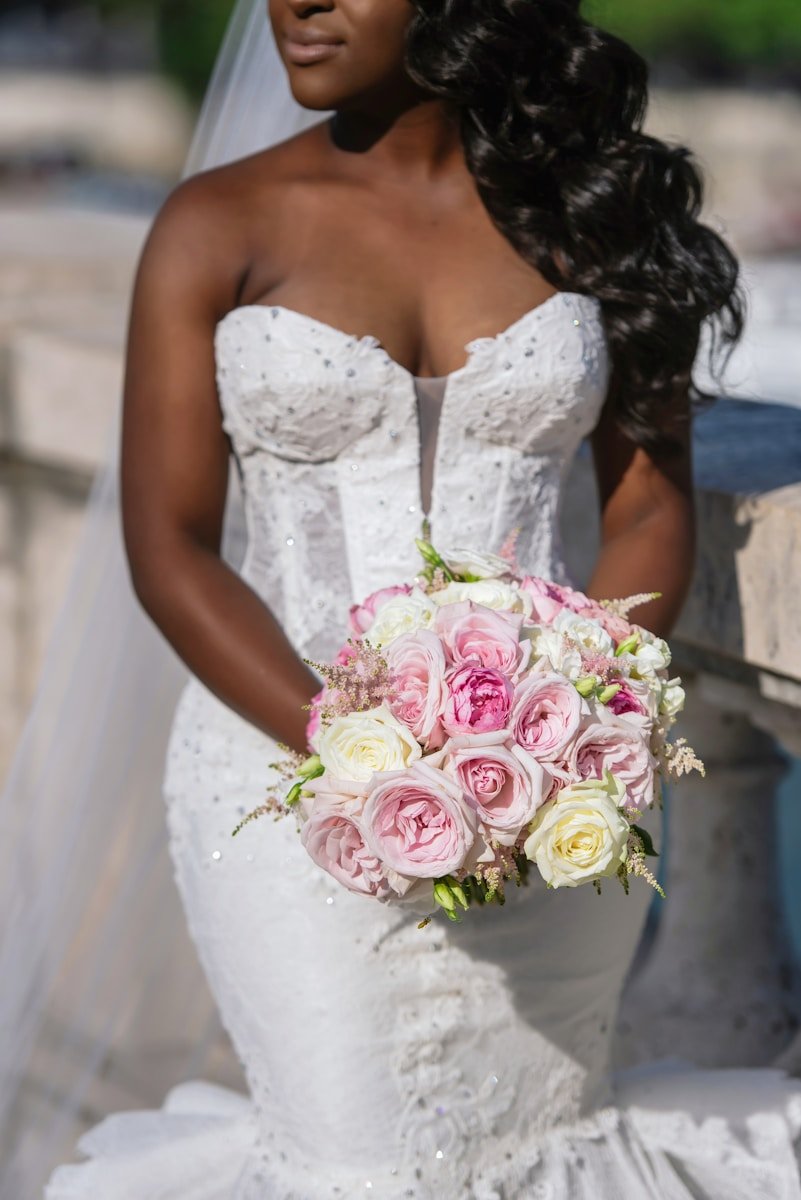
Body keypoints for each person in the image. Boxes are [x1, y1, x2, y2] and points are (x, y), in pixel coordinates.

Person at [23, 0, 801, 1195]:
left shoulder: (587, 216)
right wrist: (357, 758)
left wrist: (575, 723)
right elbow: (169, 547)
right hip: (285, 786)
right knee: (355, 1158)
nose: (299, 4)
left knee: (549, 1141)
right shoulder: (213, 224)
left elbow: (649, 503)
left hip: (559, 792)